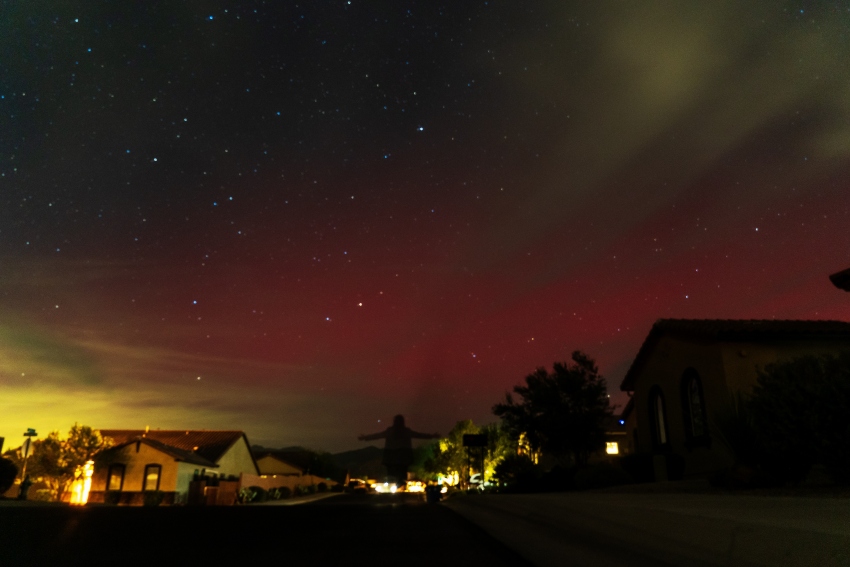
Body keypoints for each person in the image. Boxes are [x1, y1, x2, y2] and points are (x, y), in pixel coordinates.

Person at [358, 415, 440, 484]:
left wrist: (365, 437)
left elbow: (377, 435)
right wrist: (432, 436)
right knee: (400, 477)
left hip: (392, 458)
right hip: (402, 458)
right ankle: (400, 491)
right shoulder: (405, 431)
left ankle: (395, 491)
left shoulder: (391, 431)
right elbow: (419, 435)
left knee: (392, 476)